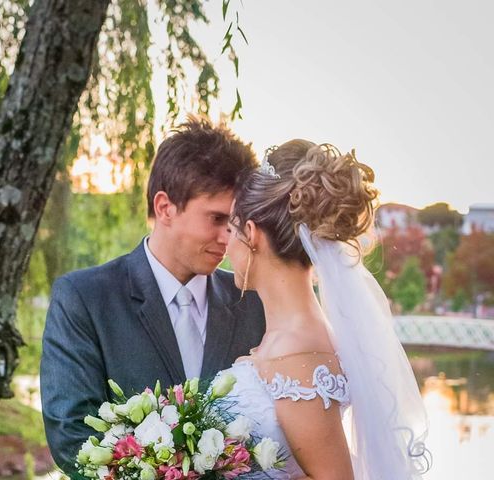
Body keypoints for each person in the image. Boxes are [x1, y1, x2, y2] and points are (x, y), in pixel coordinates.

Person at [40, 117, 266, 471]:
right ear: (165, 208)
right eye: (217, 219)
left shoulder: (253, 302)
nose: (229, 237)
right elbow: (72, 437)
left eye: (236, 223)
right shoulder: (84, 298)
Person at [220, 140, 430, 479]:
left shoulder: (297, 354)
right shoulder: (297, 337)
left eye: (231, 229)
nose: (226, 243)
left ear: (251, 233)